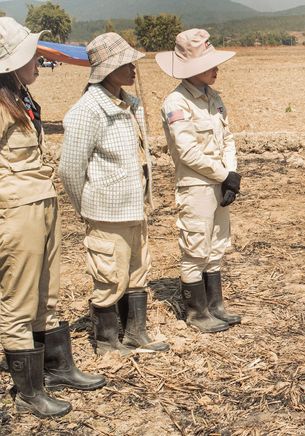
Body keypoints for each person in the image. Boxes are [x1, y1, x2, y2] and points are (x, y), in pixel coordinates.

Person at [0, 17, 105, 419]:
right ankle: (29, 391)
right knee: (19, 300)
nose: (38, 59)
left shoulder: (19, 95)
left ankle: (58, 368)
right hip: (15, 209)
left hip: (41, 201)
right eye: (30, 54)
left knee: (49, 292)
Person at [60, 33, 169, 355]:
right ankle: (107, 341)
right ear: (107, 70)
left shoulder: (127, 104)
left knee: (137, 271)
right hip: (106, 210)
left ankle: (135, 333)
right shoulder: (88, 110)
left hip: (133, 208)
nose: (134, 68)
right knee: (109, 277)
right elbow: (69, 170)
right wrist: (87, 207)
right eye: (126, 63)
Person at [156, 29, 241, 333]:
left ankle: (215, 306)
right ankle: (197, 312)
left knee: (217, 245)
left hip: (219, 183)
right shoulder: (176, 103)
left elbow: (228, 138)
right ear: (193, 69)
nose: (217, 68)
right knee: (195, 250)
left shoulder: (213, 98)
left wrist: (231, 175)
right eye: (210, 64)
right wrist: (224, 175)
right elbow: (188, 152)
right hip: (196, 187)